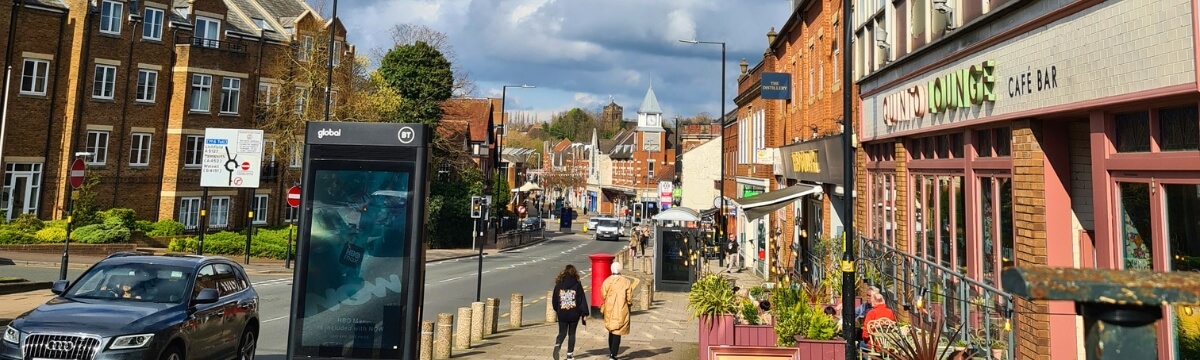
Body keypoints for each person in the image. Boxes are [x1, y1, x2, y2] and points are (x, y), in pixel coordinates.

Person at [551, 265, 589, 360]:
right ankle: (569, 355)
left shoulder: (559, 284)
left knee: (562, 332)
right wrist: (584, 313)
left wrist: (557, 309)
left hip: (562, 313)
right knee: (572, 334)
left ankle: (558, 344)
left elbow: (554, 299)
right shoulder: (577, 284)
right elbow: (581, 300)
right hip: (574, 314)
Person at [601, 261, 633, 360]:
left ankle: (611, 351)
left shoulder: (607, 281)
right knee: (617, 331)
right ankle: (613, 355)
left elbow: (603, 294)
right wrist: (629, 304)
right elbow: (629, 297)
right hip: (621, 308)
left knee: (611, 330)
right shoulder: (626, 281)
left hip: (609, 308)